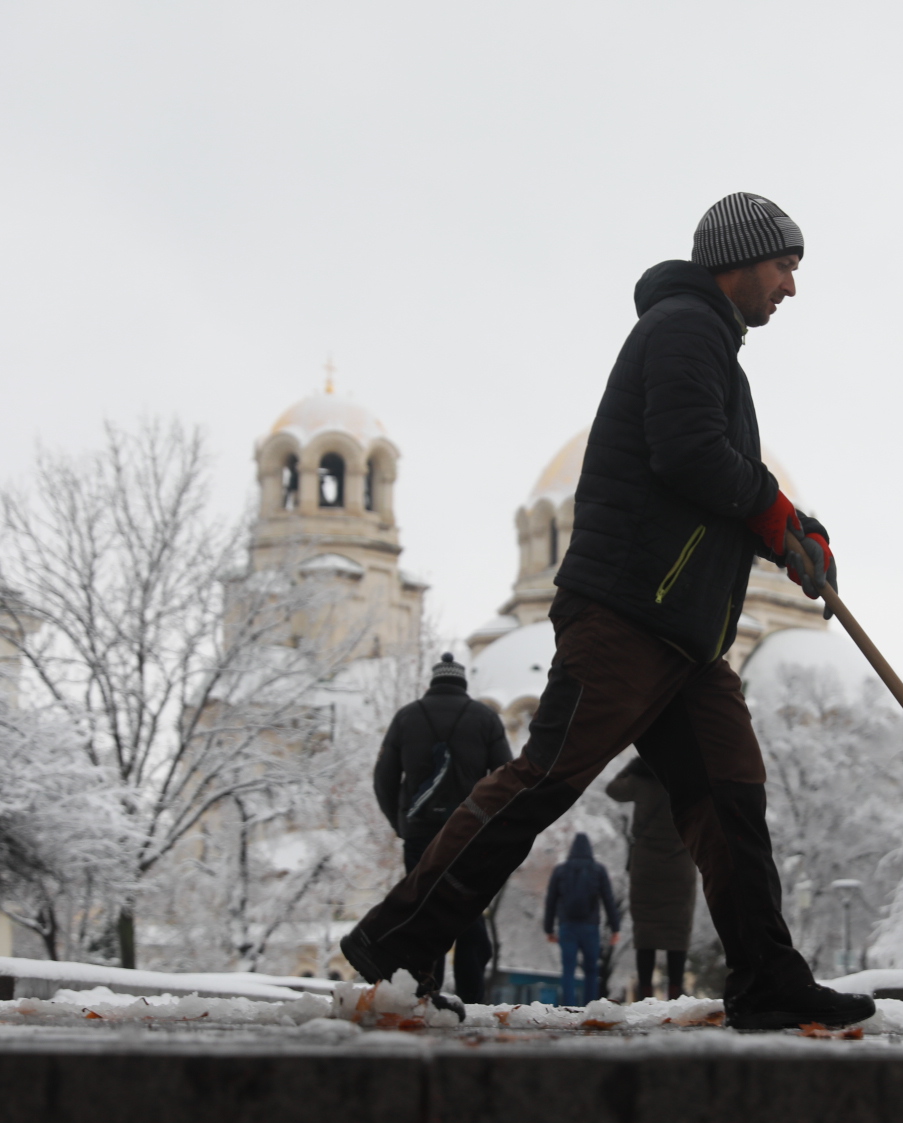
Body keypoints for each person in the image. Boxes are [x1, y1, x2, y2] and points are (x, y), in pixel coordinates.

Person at [342, 192, 875, 1031]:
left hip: (685, 637)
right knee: (545, 778)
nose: (791, 288)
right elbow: (691, 454)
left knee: (728, 795)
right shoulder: (683, 329)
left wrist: (791, 530)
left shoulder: (712, 345)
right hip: (631, 614)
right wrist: (777, 517)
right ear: (738, 260)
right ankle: (398, 939)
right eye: (785, 267)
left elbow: (711, 467)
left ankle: (767, 977)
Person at [368, 652, 511, 1005]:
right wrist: (492, 825)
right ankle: (472, 997)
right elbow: (507, 775)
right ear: (462, 683)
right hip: (469, 833)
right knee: (466, 908)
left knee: (424, 910)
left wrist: (400, 823)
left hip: (419, 833)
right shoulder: (485, 718)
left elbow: (383, 779)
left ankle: (426, 993)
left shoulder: (406, 717)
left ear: (433, 682)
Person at [607, 757, 696, 999]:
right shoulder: (689, 780)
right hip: (680, 864)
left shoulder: (640, 781)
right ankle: (675, 992)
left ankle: (645, 992)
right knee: (678, 929)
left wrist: (635, 764)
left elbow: (612, 788)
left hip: (646, 865)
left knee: (645, 929)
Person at [543, 833, 621, 1006]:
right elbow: (608, 900)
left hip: (567, 926)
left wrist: (548, 929)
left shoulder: (560, 870)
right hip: (590, 927)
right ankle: (589, 1006)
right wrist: (616, 928)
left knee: (568, 970)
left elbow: (551, 901)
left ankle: (568, 1006)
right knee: (591, 970)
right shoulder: (598, 870)